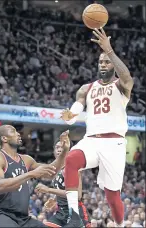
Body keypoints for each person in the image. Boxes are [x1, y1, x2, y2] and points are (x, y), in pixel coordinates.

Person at [60, 28, 134, 227]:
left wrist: (109, 51)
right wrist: (70, 117)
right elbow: (77, 108)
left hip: (114, 143)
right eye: (101, 61)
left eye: (106, 61)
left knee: (112, 196)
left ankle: (119, 224)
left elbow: (127, 77)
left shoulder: (121, 86)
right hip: (92, 140)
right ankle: (74, 215)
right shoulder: (86, 88)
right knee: (72, 159)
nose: (103, 64)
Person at [0, 125, 70, 228]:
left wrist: (64, 151)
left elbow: (51, 172)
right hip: (0, 213)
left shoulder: (26, 159)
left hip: (22, 217)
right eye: (13, 131)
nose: (18, 134)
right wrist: (30, 174)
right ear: (4, 138)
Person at [35, 139, 91, 227]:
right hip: (61, 213)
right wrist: (55, 200)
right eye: (57, 147)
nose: (59, 149)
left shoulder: (72, 167)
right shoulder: (56, 170)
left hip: (76, 212)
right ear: (53, 151)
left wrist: (48, 190)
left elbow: (77, 195)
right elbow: (64, 190)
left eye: (63, 147)